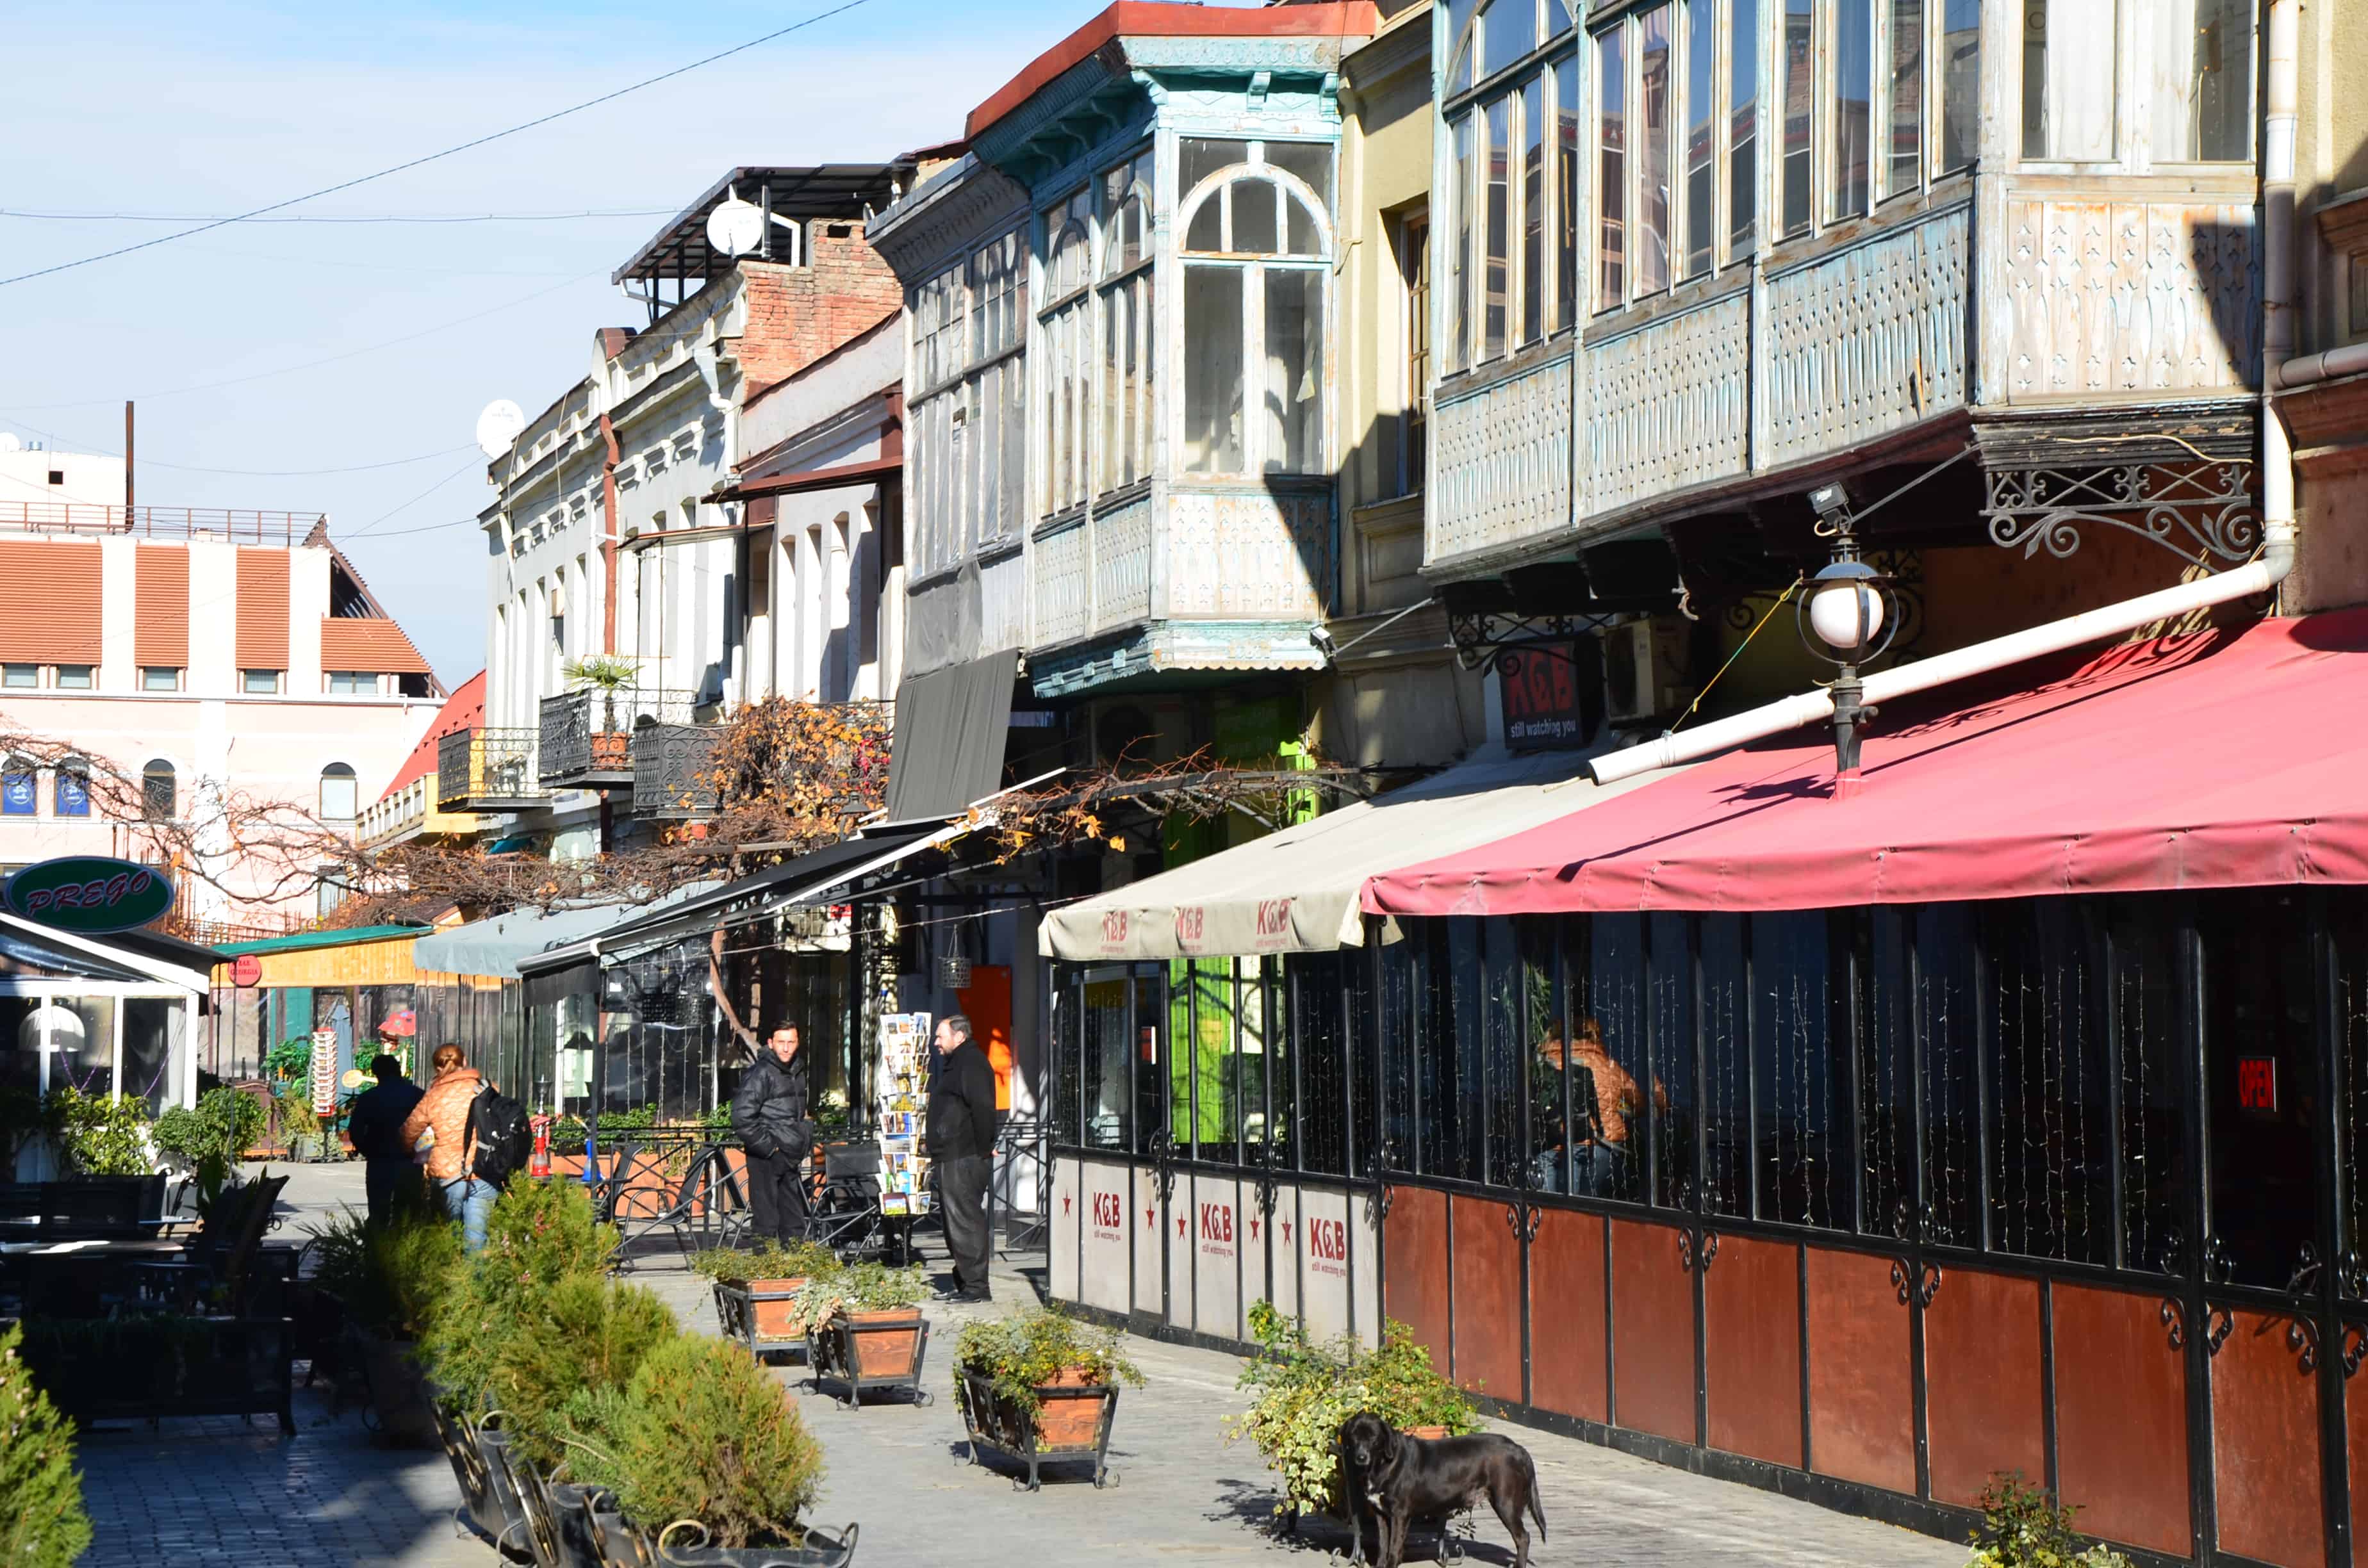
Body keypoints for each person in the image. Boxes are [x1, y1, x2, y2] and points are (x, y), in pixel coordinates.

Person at [926, 1013, 1000, 1303]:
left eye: (940, 1037)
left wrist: (984, 1147)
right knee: (954, 1222)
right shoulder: (959, 1064)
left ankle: (976, 1287)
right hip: (952, 1156)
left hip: (963, 1157)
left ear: (959, 1037)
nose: (936, 1043)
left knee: (964, 1221)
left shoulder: (972, 1064)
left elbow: (983, 1108)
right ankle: (967, 1281)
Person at [400, 1043, 494, 1252]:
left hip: (447, 1178)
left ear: (437, 1068)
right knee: (477, 1243)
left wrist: (410, 1153)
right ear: (466, 1061)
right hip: (484, 1173)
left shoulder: (433, 1096)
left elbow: (408, 1135)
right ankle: (475, 1282)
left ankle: (449, 1281)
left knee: (446, 1240)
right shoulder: (488, 1089)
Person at [1563, 1017, 1665, 1198]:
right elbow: (1641, 1106)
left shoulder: (1562, 1064)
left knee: (1570, 1205)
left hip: (1570, 1142)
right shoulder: (1610, 1067)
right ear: (1597, 1037)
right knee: (1595, 1205)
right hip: (1605, 1145)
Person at [730, 1024, 813, 1246]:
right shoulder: (761, 1073)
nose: (786, 1048)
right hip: (766, 1156)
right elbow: (741, 1117)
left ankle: (794, 1270)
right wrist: (770, 1148)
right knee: (766, 1222)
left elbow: (796, 1112)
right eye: (781, 1042)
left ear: (797, 1043)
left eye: (791, 1042)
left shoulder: (797, 1070)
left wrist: (804, 1133)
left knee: (793, 1220)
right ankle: (764, 1271)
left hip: (789, 1154)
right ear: (770, 1043)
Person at [345, 1053, 426, 1223]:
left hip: (379, 1161)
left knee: (378, 1211)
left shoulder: (368, 1098)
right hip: (410, 1161)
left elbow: (356, 1131)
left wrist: (368, 1150)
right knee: (408, 1214)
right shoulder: (418, 1095)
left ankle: (377, 1246)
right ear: (398, 1071)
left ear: (376, 1074)